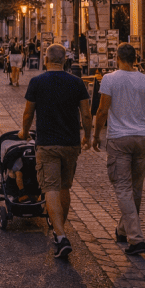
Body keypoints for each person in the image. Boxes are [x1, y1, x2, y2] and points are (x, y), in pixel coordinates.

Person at [19, 44, 92, 260]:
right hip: (70, 144)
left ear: (45, 59)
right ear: (65, 61)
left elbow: (27, 113)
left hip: (47, 143)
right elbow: (86, 114)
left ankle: (60, 235)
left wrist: (24, 132)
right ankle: (60, 230)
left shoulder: (37, 82)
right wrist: (88, 135)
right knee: (64, 187)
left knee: (50, 187)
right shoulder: (76, 82)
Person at [91, 43, 145, 256]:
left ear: (117, 57)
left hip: (119, 139)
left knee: (122, 188)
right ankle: (123, 230)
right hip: (141, 137)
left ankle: (136, 239)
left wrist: (95, 135)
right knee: (136, 188)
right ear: (135, 58)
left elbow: (102, 110)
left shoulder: (110, 79)